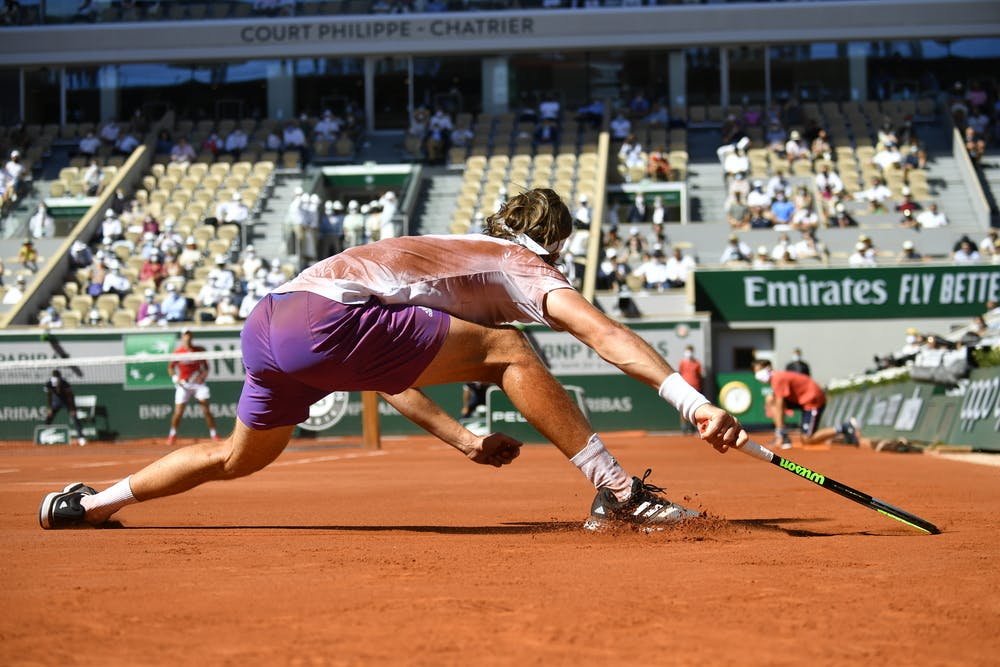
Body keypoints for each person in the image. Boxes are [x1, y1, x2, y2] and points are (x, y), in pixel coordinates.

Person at [38, 187, 748, 532]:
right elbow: (604, 335)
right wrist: (692, 399)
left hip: (270, 325)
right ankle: (620, 492)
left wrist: (465, 437)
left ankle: (89, 505)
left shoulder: (445, 257)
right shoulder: (520, 264)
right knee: (508, 346)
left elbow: (379, 369)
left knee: (236, 458)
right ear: (554, 244)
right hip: (325, 325)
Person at [751, 359, 858, 450]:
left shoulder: (778, 378)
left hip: (813, 400)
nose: (757, 375)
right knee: (770, 398)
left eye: (759, 370)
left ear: (768, 368)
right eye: (755, 372)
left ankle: (845, 427)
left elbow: (779, 406)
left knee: (807, 439)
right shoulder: (776, 379)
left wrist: (779, 430)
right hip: (802, 400)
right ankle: (783, 436)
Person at [165, 329, 219, 446]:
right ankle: (172, 434)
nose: (187, 337)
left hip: (198, 385)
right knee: (178, 412)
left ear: (192, 336)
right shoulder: (178, 352)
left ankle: (214, 434)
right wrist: (176, 379)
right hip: (183, 385)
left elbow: (205, 368)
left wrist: (201, 377)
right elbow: (170, 368)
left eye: (189, 334)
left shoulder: (199, 351)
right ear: (182, 337)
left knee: (206, 410)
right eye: (185, 335)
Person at [43, 370, 87, 446]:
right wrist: (49, 408)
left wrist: (72, 409)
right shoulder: (49, 384)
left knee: (75, 418)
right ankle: (44, 436)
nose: (55, 384)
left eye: (57, 381)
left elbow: (70, 397)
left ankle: (81, 438)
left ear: (60, 378)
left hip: (67, 402)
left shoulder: (65, 384)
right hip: (56, 402)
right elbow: (49, 395)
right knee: (49, 417)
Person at [677, 345, 703, 435]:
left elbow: (699, 375)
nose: (689, 353)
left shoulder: (697, 363)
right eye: (687, 351)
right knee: (683, 408)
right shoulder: (682, 363)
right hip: (684, 388)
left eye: (690, 351)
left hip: (696, 388)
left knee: (695, 409)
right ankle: (684, 428)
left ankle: (692, 428)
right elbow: (680, 373)